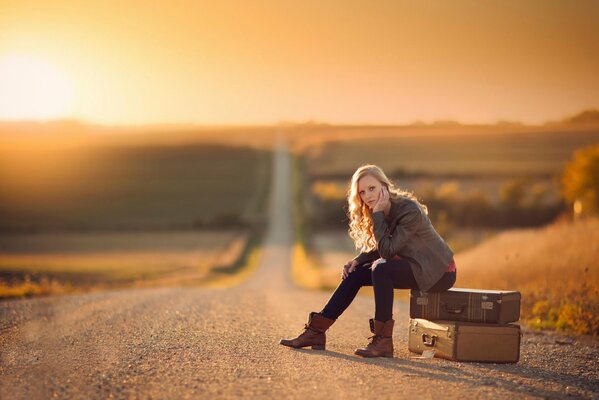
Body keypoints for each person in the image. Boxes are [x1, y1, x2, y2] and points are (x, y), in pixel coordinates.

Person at [279, 164, 456, 358]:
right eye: (362, 192)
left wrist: (378, 214)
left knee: (381, 269)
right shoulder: (380, 209)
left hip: (438, 272)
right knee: (355, 273)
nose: (368, 196)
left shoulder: (408, 211)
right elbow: (387, 246)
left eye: (372, 188)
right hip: (413, 264)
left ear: (384, 185)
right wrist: (358, 260)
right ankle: (316, 332)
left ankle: (383, 342)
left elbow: (387, 252)